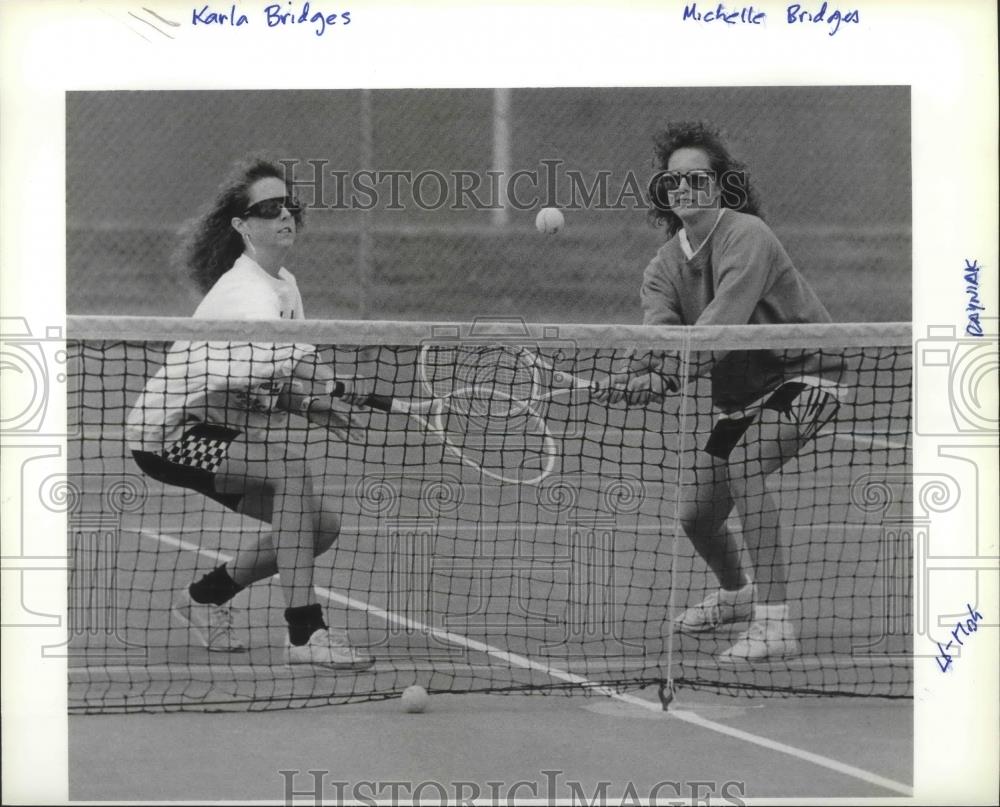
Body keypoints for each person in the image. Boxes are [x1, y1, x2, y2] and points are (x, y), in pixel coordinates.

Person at [596, 122, 848, 662]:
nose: (683, 189)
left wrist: (665, 377)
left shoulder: (747, 236)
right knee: (697, 516)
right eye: (673, 182)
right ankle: (737, 595)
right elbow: (659, 327)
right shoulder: (662, 265)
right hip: (739, 396)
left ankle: (776, 623)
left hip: (805, 373)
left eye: (696, 178)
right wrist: (642, 368)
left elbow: (721, 325)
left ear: (721, 185)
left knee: (747, 463)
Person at [125, 154, 373, 670]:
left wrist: (312, 403)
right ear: (242, 225)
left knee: (316, 525)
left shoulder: (285, 285)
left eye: (290, 205)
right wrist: (329, 390)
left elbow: (276, 374)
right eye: (268, 208)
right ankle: (306, 634)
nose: (285, 216)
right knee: (289, 472)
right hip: (166, 431)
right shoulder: (246, 292)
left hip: (208, 425)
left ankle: (204, 598)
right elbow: (282, 370)